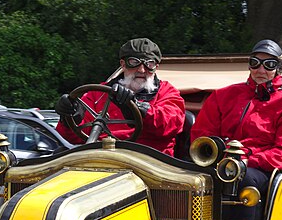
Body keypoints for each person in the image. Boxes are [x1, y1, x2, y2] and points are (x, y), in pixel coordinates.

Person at [190, 39, 282, 220]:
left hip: (259, 167)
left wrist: (248, 160)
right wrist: (217, 153)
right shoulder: (223, 96)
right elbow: (202, 135)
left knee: (242, 178)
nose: (261, 70)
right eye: (255, 63)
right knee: (186, 175)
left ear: (278, 69)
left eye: (269, 65)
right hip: (221, 161)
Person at [54, 37, 185, 156]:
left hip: (150, 161)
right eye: (134, 62)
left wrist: (140, 109)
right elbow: (76, 136)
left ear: (156, 67)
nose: (141, 70)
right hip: (103, 157)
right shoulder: (98, 93)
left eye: (149, 64)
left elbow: (171, 125)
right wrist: (70, 118)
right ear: (123, 64)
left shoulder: (167, 92)